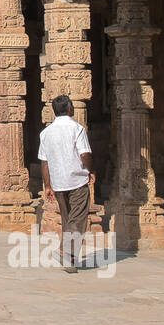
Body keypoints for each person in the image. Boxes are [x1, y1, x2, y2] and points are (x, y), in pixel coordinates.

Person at [38, 94, 96, 273]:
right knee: (78, 219)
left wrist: (47, 185)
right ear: (70, 109)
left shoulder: (45, 132)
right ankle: (66, 251)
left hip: (58, 182)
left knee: (67, 219)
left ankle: (69, 258)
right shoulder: (76, 128)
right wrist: (90, 170)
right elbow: (84, 154)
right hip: (76, 179)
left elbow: (44, 161)